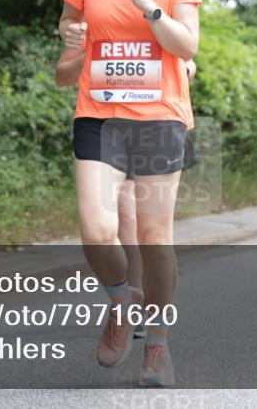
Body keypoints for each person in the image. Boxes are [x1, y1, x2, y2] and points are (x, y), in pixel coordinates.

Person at [58, 0, 200, 387]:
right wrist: (73, 44)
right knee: (97, 230)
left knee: (154, 234)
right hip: (99, 111)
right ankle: (123, 300)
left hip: (160, 114)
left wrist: (148, 7)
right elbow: (70, 30)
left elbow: (188, 45)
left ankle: (157, 346)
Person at [56, 52, 198, 339]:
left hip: (155, 125)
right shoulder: (95, 17)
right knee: (122, 215)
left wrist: (172, 70)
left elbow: (189, 62)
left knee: (141, 223)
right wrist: (88, 57)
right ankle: (128, 303)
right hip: (107, 127)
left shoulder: (159, 12)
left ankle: (146, 307)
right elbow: (63, 74)